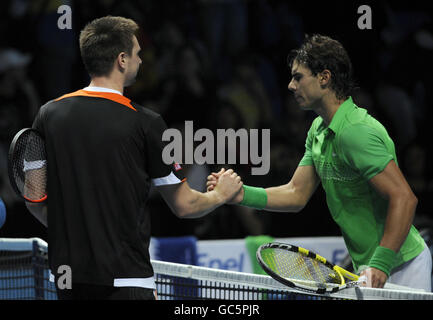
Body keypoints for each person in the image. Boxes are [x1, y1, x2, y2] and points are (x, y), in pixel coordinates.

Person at [25, 16, 243, 300]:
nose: (141, 60)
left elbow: (34, 198)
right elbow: (185, 205)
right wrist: (221, 195)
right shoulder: (147, 123)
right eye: (138, 54)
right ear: (122, 60)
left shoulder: (47, 114)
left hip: (68, 280)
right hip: (128, 281)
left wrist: (75, 226)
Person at [207, 34, 432, 292]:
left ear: (324, 78)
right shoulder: (318, 129)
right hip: (370, 268)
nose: (291, 86)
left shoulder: (355, 131)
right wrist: (240, 194)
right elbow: (296, 194)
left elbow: (404, 198)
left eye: (298, 77)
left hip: (401, 263)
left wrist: (381, 263)